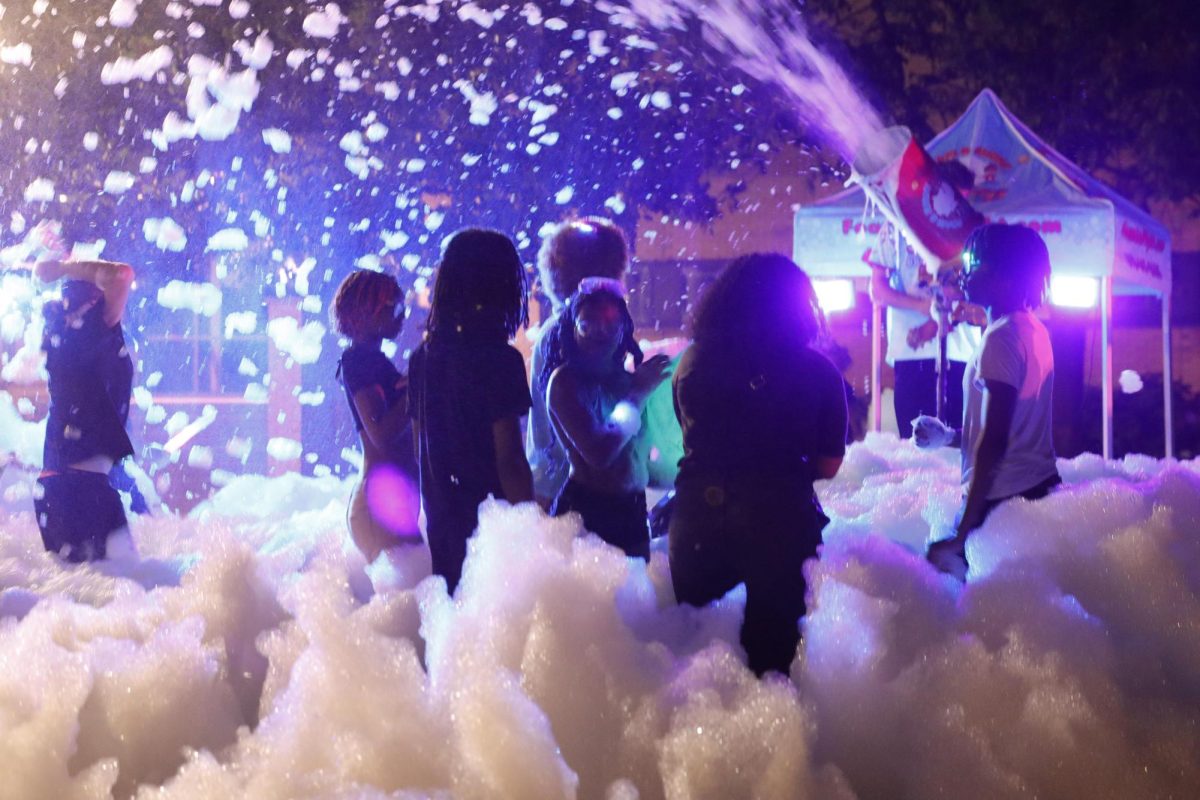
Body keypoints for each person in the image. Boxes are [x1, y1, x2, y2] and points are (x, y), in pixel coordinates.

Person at [669, 253, 848, 676]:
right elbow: (829, 464)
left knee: (698, 661)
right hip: (779, 519)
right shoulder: (817, 371)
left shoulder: (693, 360)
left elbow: (694, 436)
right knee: (773, 664)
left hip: (697, 516)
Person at [916, 224, 1060, 574]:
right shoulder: (1031, 328)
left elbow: (995, 441)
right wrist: (949, 437)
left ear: (1007, 278)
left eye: (976, 263)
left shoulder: (1001, 338)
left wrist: (963, 532)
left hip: (1001, 502)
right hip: (1034, 490)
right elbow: (1012, 430)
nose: (964, 273)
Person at [407, 228, 534, 594]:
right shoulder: (500, 359)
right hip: (491, 526)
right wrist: (529, 524)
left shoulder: (422, 358)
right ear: (502, 287)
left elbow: (420, 449)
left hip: (443, 518)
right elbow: (509, 457)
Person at [541, 279, 671, 559]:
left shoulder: (629, 382)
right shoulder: (565, 382)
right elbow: (599, 453)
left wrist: (682, 482)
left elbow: (640, 461)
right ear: (571, 329)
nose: (600, 333)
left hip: (633, 513)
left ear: (623, 328)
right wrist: (638, 393)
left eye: (610, 325)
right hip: (587, 513)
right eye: (588, 325)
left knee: (636, 599)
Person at [868, 161, 983, 438]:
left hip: (961, 355)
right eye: (956, 199)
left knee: (958, 444)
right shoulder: (897, 227)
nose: (959, 209)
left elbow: (981, 295)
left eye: (965, 202)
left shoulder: (976, 231)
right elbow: (878, 291)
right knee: (916, 444)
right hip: (910, 353)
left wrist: (946, 313)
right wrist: (922, 306)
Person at [33, 258, 136, 562]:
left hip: (56, 487)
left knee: (81, 596)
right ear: (94, 298)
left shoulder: (62, 336)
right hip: (83, 490)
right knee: (127, 596)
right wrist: (64, 267)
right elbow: (121, 274)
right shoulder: (94, 323)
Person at [528, 218, 630, 508]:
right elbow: (589, 433)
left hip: (557, 483)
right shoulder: (568, 333)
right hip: (568, 489)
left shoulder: (563, 328)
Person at [332, 268, 422, 563]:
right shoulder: (356, 362)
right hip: (379, 504)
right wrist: (417, 386)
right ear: (367, 311)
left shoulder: (373, 361)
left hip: (388, 500)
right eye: (393, 307)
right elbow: (380, 433)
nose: (402, 314)